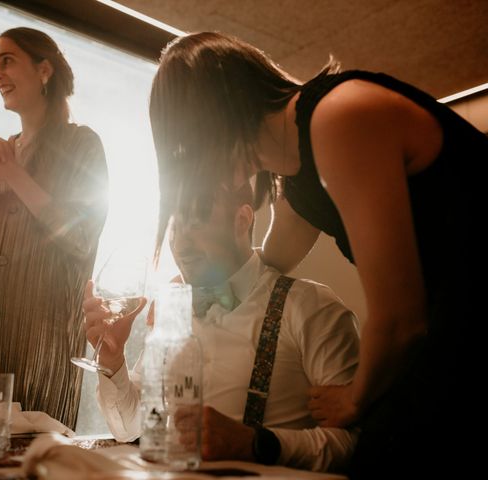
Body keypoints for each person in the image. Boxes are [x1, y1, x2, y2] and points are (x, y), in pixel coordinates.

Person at [148, 31, 487, 477]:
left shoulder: (338, 118)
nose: (196, 171)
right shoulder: (296, 177)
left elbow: (401, 318)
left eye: (186, 151)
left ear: (212, 120)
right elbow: (266, 265)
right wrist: (194, 290)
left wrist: (354, 399)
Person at [83, 183, 360, 472]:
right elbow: (130, 428)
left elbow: (353, 445)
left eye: (196, 223)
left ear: (242, 220)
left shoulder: (310, 307)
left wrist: (257, 444)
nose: (182, 244)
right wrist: (113, 362)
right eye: (174, 228)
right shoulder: (169, 308)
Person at [0, 27, 108, 428]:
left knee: (33, 461)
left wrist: (11, 173)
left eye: (7, 60)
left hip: (40, 344)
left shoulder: (82, 144)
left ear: (45, 69)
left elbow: (80, 238)